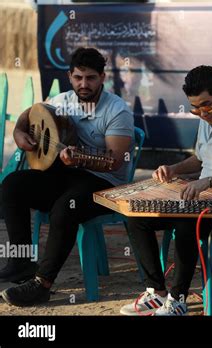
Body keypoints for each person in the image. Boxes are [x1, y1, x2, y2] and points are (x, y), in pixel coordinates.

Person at [120, 65, 212, 316]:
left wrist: (210, 181)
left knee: (187, 224)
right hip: (204, 200)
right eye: (195, 107)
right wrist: (174, 168)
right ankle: (156, 292)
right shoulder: (206, 118)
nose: (202, 112)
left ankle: (178, 300)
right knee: (136, 217)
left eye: (206, 105)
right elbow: (200, 160)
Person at [0, 48, 134, 306]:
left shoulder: (117, 110)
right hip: (66, 175)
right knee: (12, 185)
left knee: (65, 208)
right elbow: (27, 116)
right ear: (70, 76)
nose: (84, 84)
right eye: (78, 78)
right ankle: (21, 262)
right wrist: (20, 135)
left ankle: (42, 284)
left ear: (102, 77)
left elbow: (115, 161)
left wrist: (81, 159)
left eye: (91, 78)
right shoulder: (61, 101)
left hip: (105, 184)